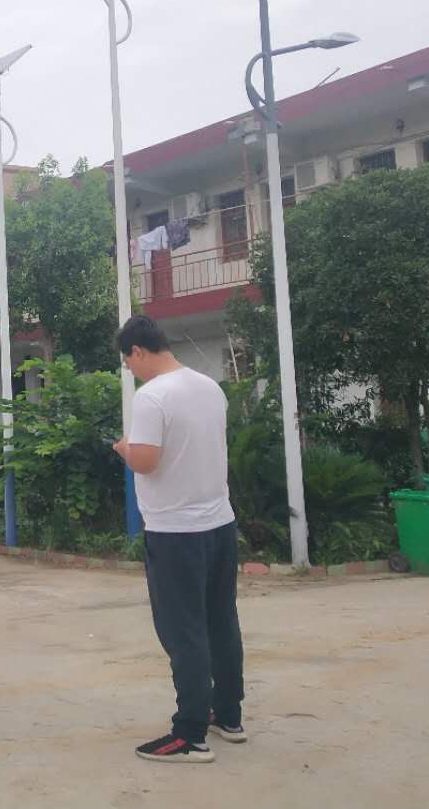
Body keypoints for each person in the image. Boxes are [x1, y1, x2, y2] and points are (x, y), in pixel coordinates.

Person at [113, 315, 244, 764]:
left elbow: (146, 461)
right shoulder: (210, 387)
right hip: (220, 524)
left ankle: (189, 734)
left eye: (128, 363)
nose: (131, 371)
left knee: (183, 630)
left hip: (175, 532)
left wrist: (124, 449)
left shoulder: (152, 396)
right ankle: (229, 715)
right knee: (221, 621)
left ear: (138, 351)